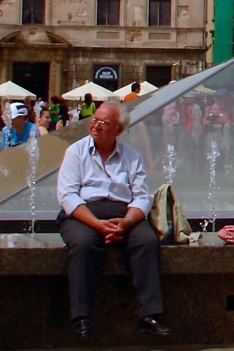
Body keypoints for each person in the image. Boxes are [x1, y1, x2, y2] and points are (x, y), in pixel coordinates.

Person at [56, 102, 170, 338]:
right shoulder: (75, 152)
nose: (96, 125)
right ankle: (81, 317)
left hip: (123, 212)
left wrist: (127, 222)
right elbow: (67, 195)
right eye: (94, 120)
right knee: (85, 244)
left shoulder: (131, 156)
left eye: (104, 123)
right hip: (84, 213)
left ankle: (150, 315)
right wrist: (97, 225)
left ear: (118, 130)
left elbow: (142, 196)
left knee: (146, 242)